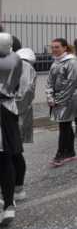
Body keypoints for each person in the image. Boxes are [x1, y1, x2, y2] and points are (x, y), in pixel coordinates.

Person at [46, 38, 77, 167]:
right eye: (52, 47)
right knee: (66, 124)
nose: (54, 49)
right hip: (58, 98)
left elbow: (71, 83)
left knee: (63, 125)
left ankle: (60, 155)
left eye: (57, 47)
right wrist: (50, 96)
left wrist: (59, 100)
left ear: (65, 48)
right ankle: (70, 152)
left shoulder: (72, 62)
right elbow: (49, 81)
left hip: (70, 98)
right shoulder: (55, 62)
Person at [0, 33, 23, 226]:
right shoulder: (14, 57)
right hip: (7, 108)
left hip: (3, 110)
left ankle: (8, 202)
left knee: (4, 157)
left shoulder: (9, 58)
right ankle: (7, 202)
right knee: (5, 157)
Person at [13, 48, 37, 203]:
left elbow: (24, 91)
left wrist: (12, 111)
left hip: (15, 115)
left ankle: (17, 188)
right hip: (13, 114)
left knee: (12, 152)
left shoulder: (23, 65)